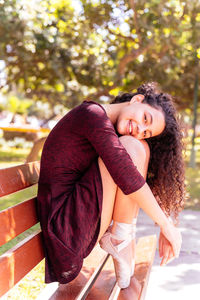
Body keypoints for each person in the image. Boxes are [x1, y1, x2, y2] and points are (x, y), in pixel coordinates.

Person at [37, 82, 185, 289]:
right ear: (137, 99)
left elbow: (136, 178)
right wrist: (166, 226)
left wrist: (167, 221)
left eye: (146, 131)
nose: (139, 129)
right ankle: (120, 239)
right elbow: (127, 177)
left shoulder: (107, 127)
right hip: (64, 236)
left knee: (138, 146)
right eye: (145, 118)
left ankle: (121, 237)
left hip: (74, 230)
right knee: (132, 147)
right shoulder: (91, 115)